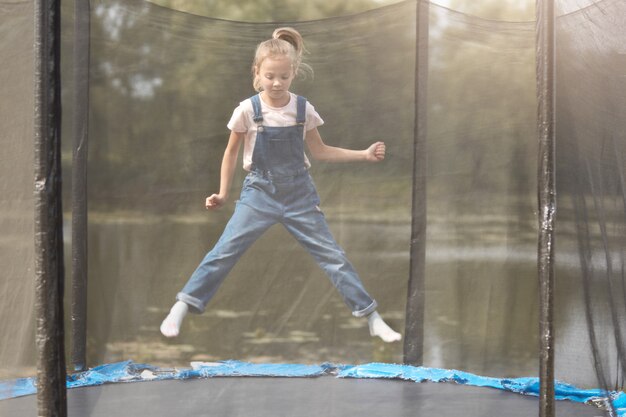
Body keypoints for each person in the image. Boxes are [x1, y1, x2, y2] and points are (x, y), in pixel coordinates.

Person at [160, 27, 401, 343]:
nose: (276, 83)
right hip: (259, 192)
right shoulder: (248, 110)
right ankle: (182, 305)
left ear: (293, 74)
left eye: (284, 77)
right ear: (257, 73)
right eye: (270, 76)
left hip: (299, 193)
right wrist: (222, 192)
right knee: (225, 250)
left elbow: (321, 151)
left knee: (333, 256)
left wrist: (364, 155)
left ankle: (372, 317)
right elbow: (231, 152)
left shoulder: (302, 109)